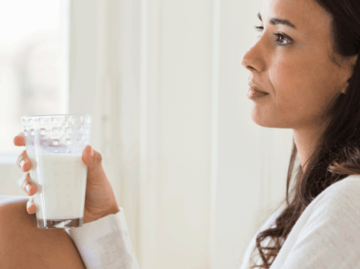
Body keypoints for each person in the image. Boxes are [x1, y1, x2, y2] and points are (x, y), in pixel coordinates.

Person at [2, 0, 360, 268]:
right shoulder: (302, 212)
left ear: (350, 69)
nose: (249, 56)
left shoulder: (350, 203)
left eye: (282, 37)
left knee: (11, 230)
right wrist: (101, 218)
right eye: (260, 30)